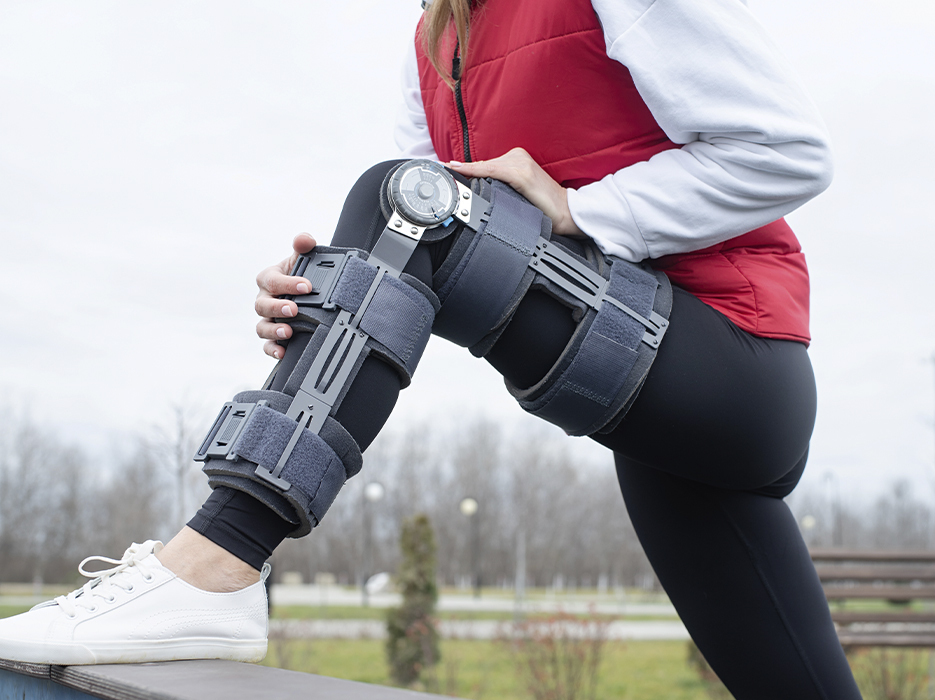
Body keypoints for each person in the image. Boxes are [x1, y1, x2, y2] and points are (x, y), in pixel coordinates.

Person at [0, 0, 862, 697]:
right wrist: (314, 290)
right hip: (650, 414)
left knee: (408, 201)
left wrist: (578, 209)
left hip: (734, 362)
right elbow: (415, 258)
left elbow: (788, 148)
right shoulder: (436, 32)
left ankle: (218, 564)